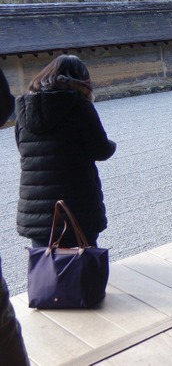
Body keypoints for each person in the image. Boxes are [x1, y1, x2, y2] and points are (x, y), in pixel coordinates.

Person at [15, 55, 117, 248]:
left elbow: (22, 148)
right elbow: (100, 149)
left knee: (46, 266)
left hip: (36, 209)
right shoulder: (78, 105)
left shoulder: (24, 109)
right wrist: (113, 144)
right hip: (77, 203)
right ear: (82, 80)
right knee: (83, 264)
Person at [1, 68, 29, 365]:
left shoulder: (25, 107)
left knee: (41, 245)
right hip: (73, 191)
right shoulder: (77, 106)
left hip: (32, 195)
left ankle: (46, 291)